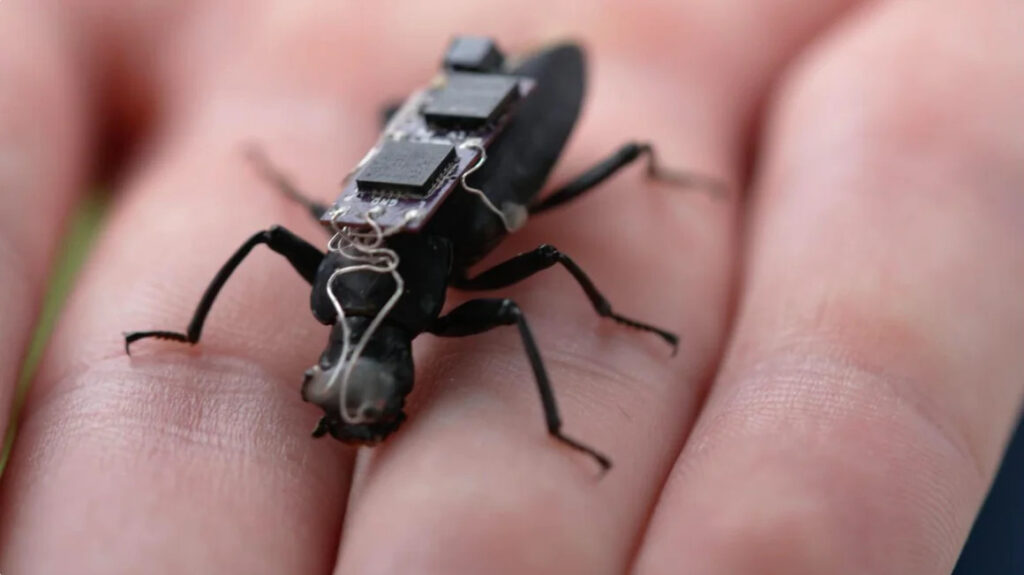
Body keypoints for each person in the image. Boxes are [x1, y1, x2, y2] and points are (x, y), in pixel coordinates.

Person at [0, 1, 1020, 573]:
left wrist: (609, 312)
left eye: (353, 358)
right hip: (438, 162)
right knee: (289, 225)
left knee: (555, 243)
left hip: (520, 135)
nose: (355, 356)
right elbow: (301, 236)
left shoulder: (429, 273)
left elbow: (544, 278)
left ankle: (645, 184)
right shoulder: (349, 267)